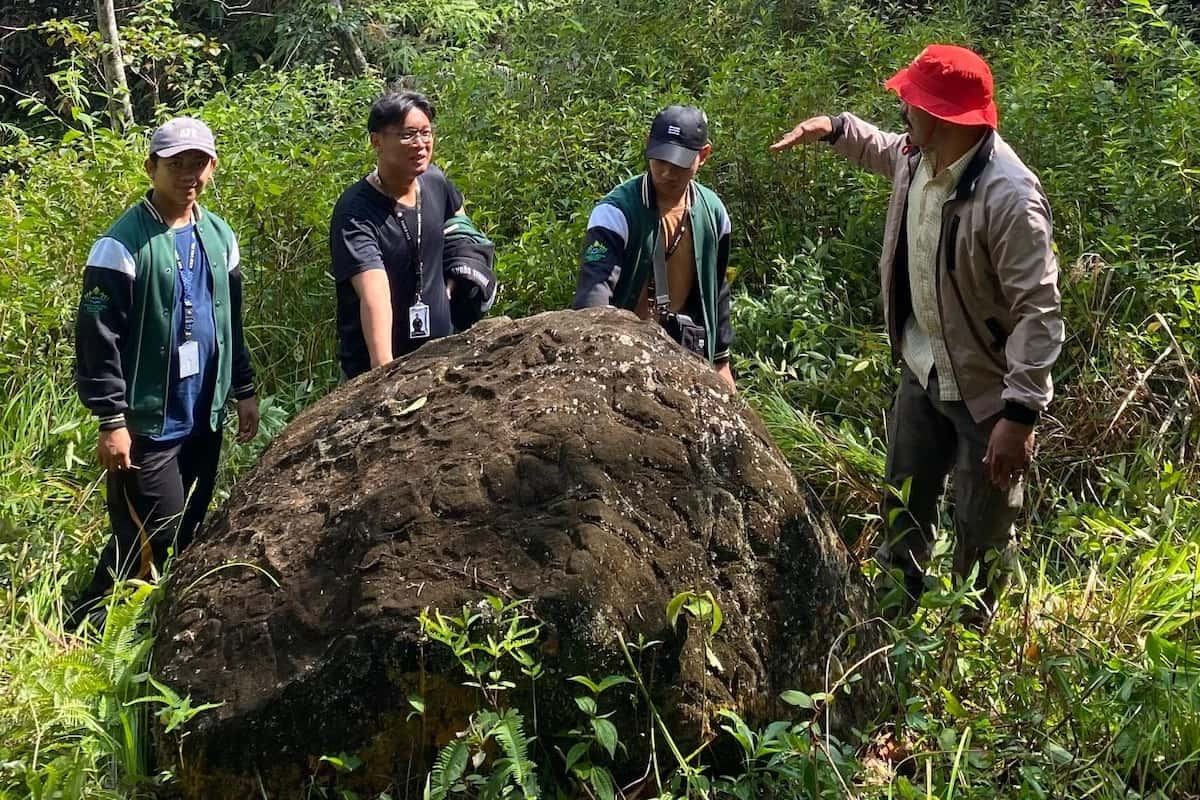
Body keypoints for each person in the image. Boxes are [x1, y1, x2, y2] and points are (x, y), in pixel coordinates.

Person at [770, 45, 1064, 617]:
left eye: (914, 101)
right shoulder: (917, 156)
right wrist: (833, 128)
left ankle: (967, 641)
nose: (904, 109)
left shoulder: (1010, 199)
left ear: (947, 117)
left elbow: (1039, 311)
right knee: (904, 505)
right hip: (923, 365)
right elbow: (881, 147)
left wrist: (1021, 414)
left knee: (982, 530)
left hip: (987, 391)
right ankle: (894, 618)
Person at [72, 117, 259, 626]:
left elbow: (229, 320)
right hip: (146, 420)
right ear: (151, 167)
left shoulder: (219, 238)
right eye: (176, 164)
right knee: (162, 530)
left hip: (203, 411)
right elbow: (97, 338)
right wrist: (110, 420)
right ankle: (104, 629)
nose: (188, 175)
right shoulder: (120, 245)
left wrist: (243, 388)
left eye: (198, 163)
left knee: (183, 527)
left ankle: (98, 624)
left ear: (213, 168)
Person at [330, 91, 497, 380]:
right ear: (377, 141)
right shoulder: (356, 213)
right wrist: (383, 374)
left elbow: (458, 218)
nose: (421, 144)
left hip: (442, 356)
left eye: (426, 132)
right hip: (379, 368)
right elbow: (374, 295)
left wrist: (459, 270)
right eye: (408, 135)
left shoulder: (433, 181)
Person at [573, 105, 735, 390]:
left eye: (680, 163)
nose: (668, 172)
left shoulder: (714, 214)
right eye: (661, 159)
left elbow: (717, 289)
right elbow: (593, 291)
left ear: (704, 155)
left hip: (687, 354)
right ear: (648, 146)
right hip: (624, 353)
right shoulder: (615, 212)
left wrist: (721, 363)